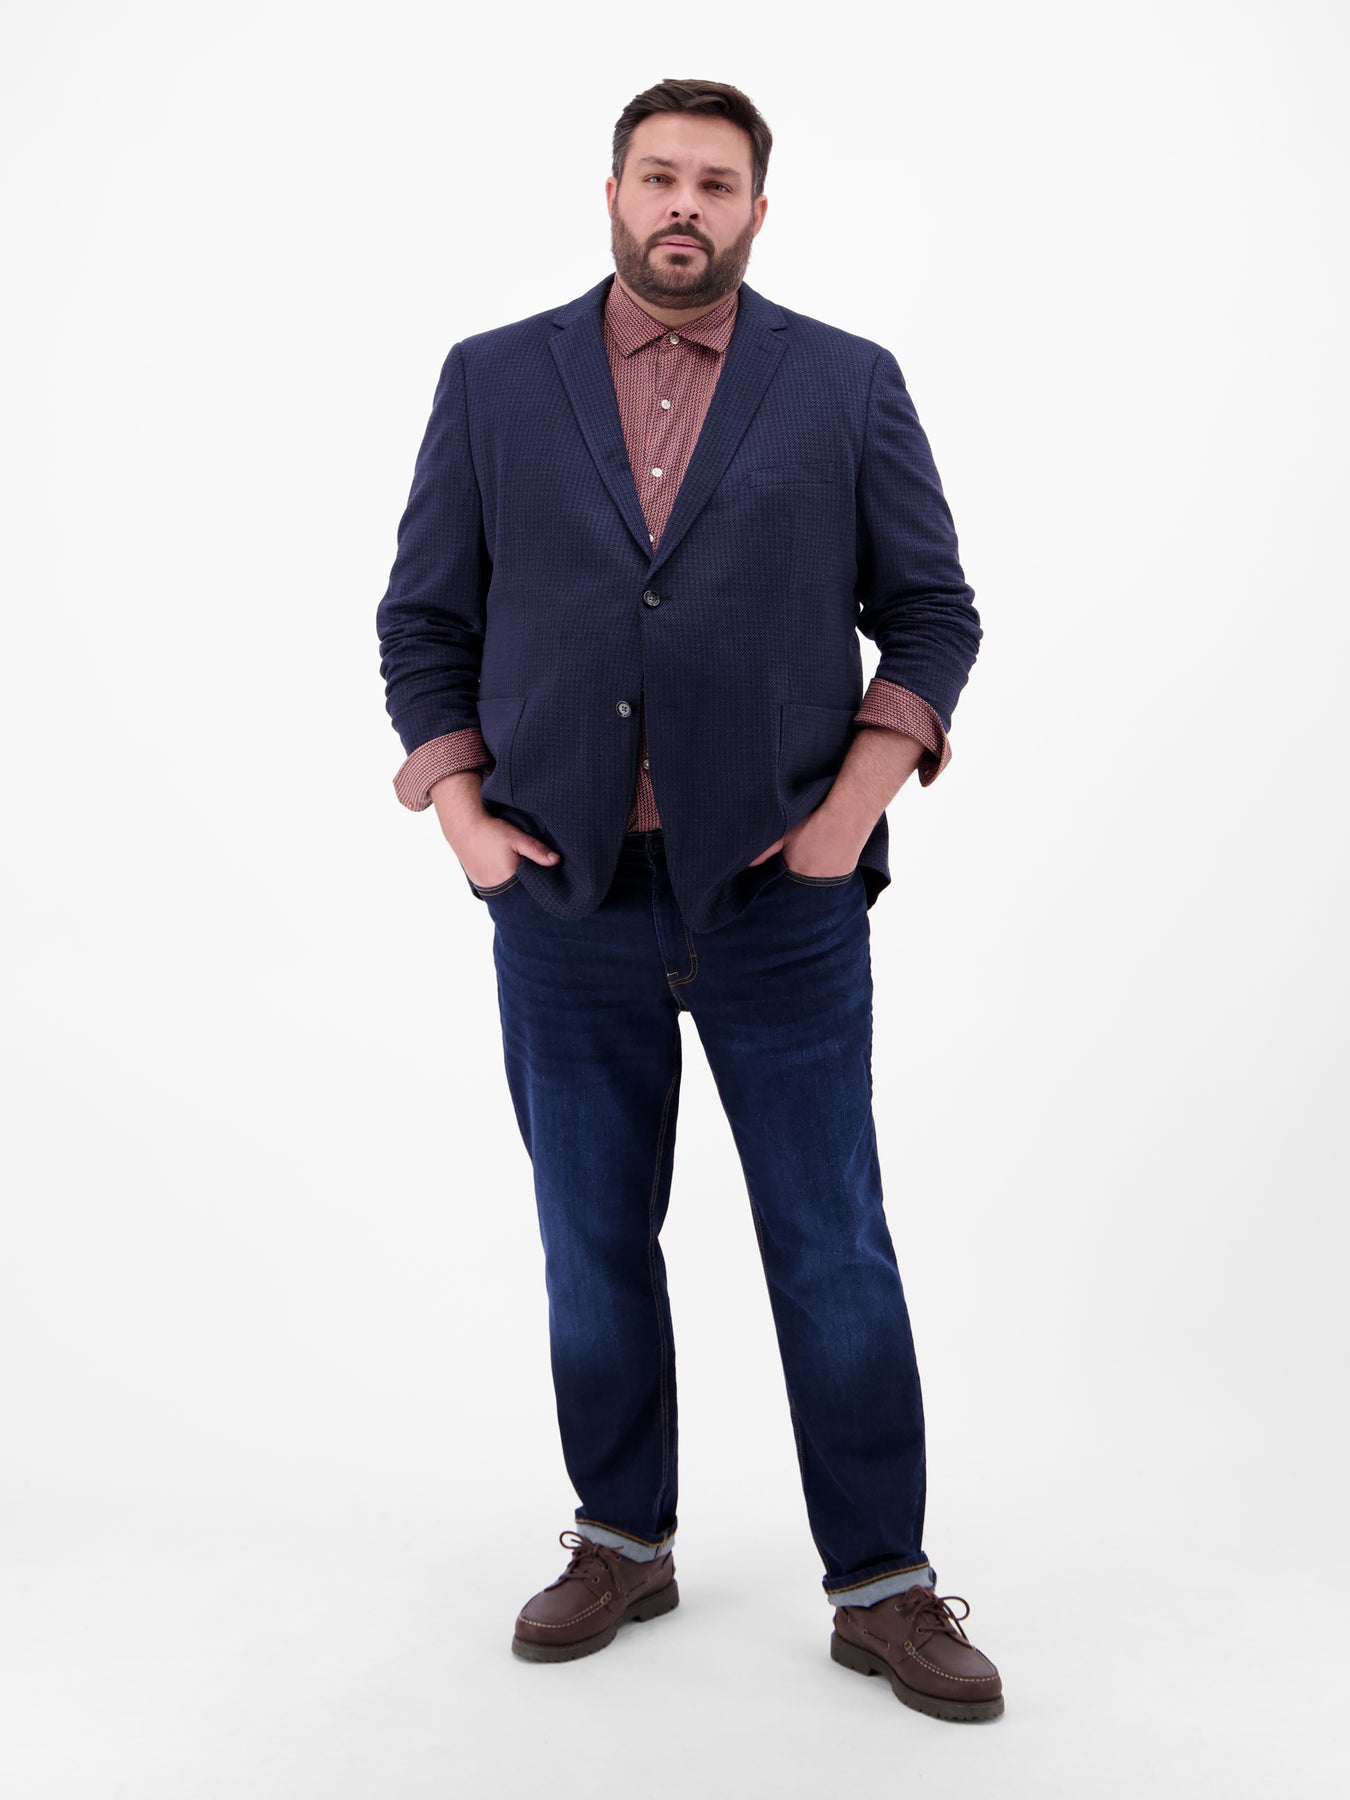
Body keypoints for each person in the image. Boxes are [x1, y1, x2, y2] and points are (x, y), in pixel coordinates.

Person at [374, 77, 1003, 1723]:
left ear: (754, 213)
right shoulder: (493, 378)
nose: (682, 205)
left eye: (715, 185)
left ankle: (880, 1584)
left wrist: (844, 817)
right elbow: (425, 619)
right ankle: (620, 1542)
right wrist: (464, 823)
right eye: (657, 176)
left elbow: (931, 615)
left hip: (780, 895)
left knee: (830, 1241)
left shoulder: (843, 382)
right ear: (610, 193)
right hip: (561, 891)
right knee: (591, 1237)